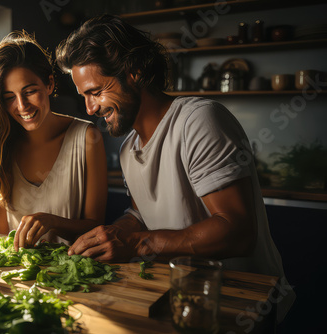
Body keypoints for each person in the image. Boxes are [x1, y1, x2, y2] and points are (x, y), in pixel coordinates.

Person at [56, 15, 294, 321]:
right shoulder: (130, 148)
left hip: (241, 303)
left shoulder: (199, 121)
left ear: (135, 73)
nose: (90, 109)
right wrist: (114, 233)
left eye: (96, 92)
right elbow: (141, 214)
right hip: (185, 298)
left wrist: (135, 244)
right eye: (84, 97)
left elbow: (237, 232)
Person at [0, 31, 108, 250]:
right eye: (9, 98)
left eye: (30, 91)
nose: (22, 106)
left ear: (50, 84)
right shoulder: (3, 143)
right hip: (19, 276)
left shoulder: (87, 137)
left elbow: (96, 228)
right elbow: (1, 232)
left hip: (74, 274)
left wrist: (52, 222)